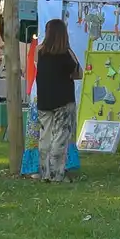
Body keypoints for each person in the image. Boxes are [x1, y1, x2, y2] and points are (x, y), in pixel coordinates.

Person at [34, 20, 81, 182]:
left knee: (44, 136)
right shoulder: (66, 53)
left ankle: (44, 172)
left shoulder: (39, 51)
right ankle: (56, 174)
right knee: (60, 137)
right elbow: (78, 73)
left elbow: (38, 68)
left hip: (44, 99)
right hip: (63, 100)